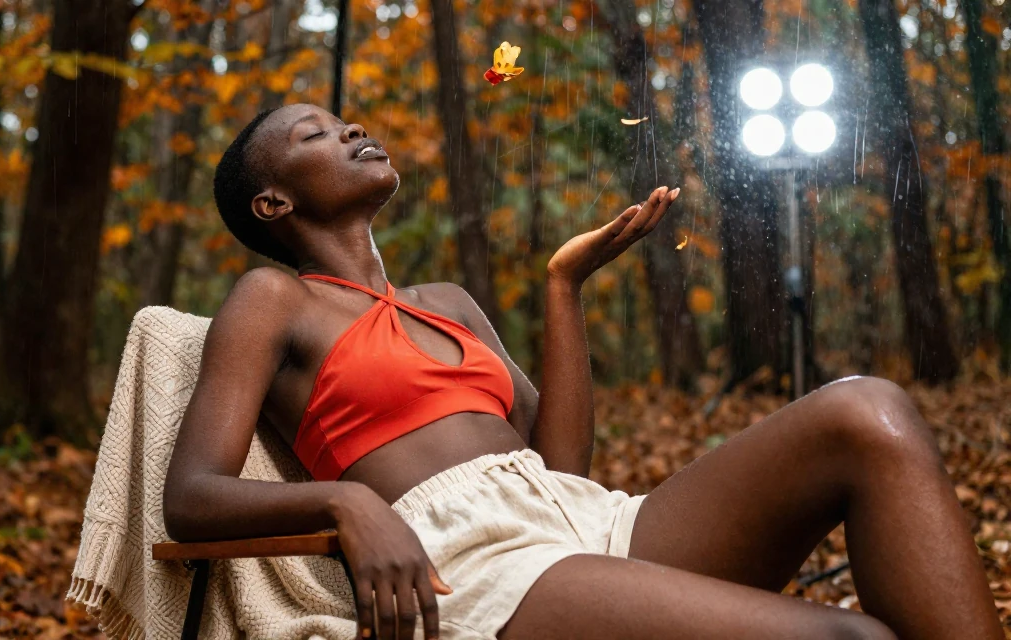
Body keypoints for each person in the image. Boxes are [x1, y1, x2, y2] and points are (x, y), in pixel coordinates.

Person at [162, 103, 1002, 640]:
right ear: (274, 204)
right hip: (472, 563)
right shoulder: (274, 299)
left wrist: (565, 288)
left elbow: (561, 470)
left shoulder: (447, 300)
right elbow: (192, 496)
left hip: (585, 524)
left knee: (866, 409)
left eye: (342, 120)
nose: (348, 129)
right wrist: (346, 501)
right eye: (314, 134)